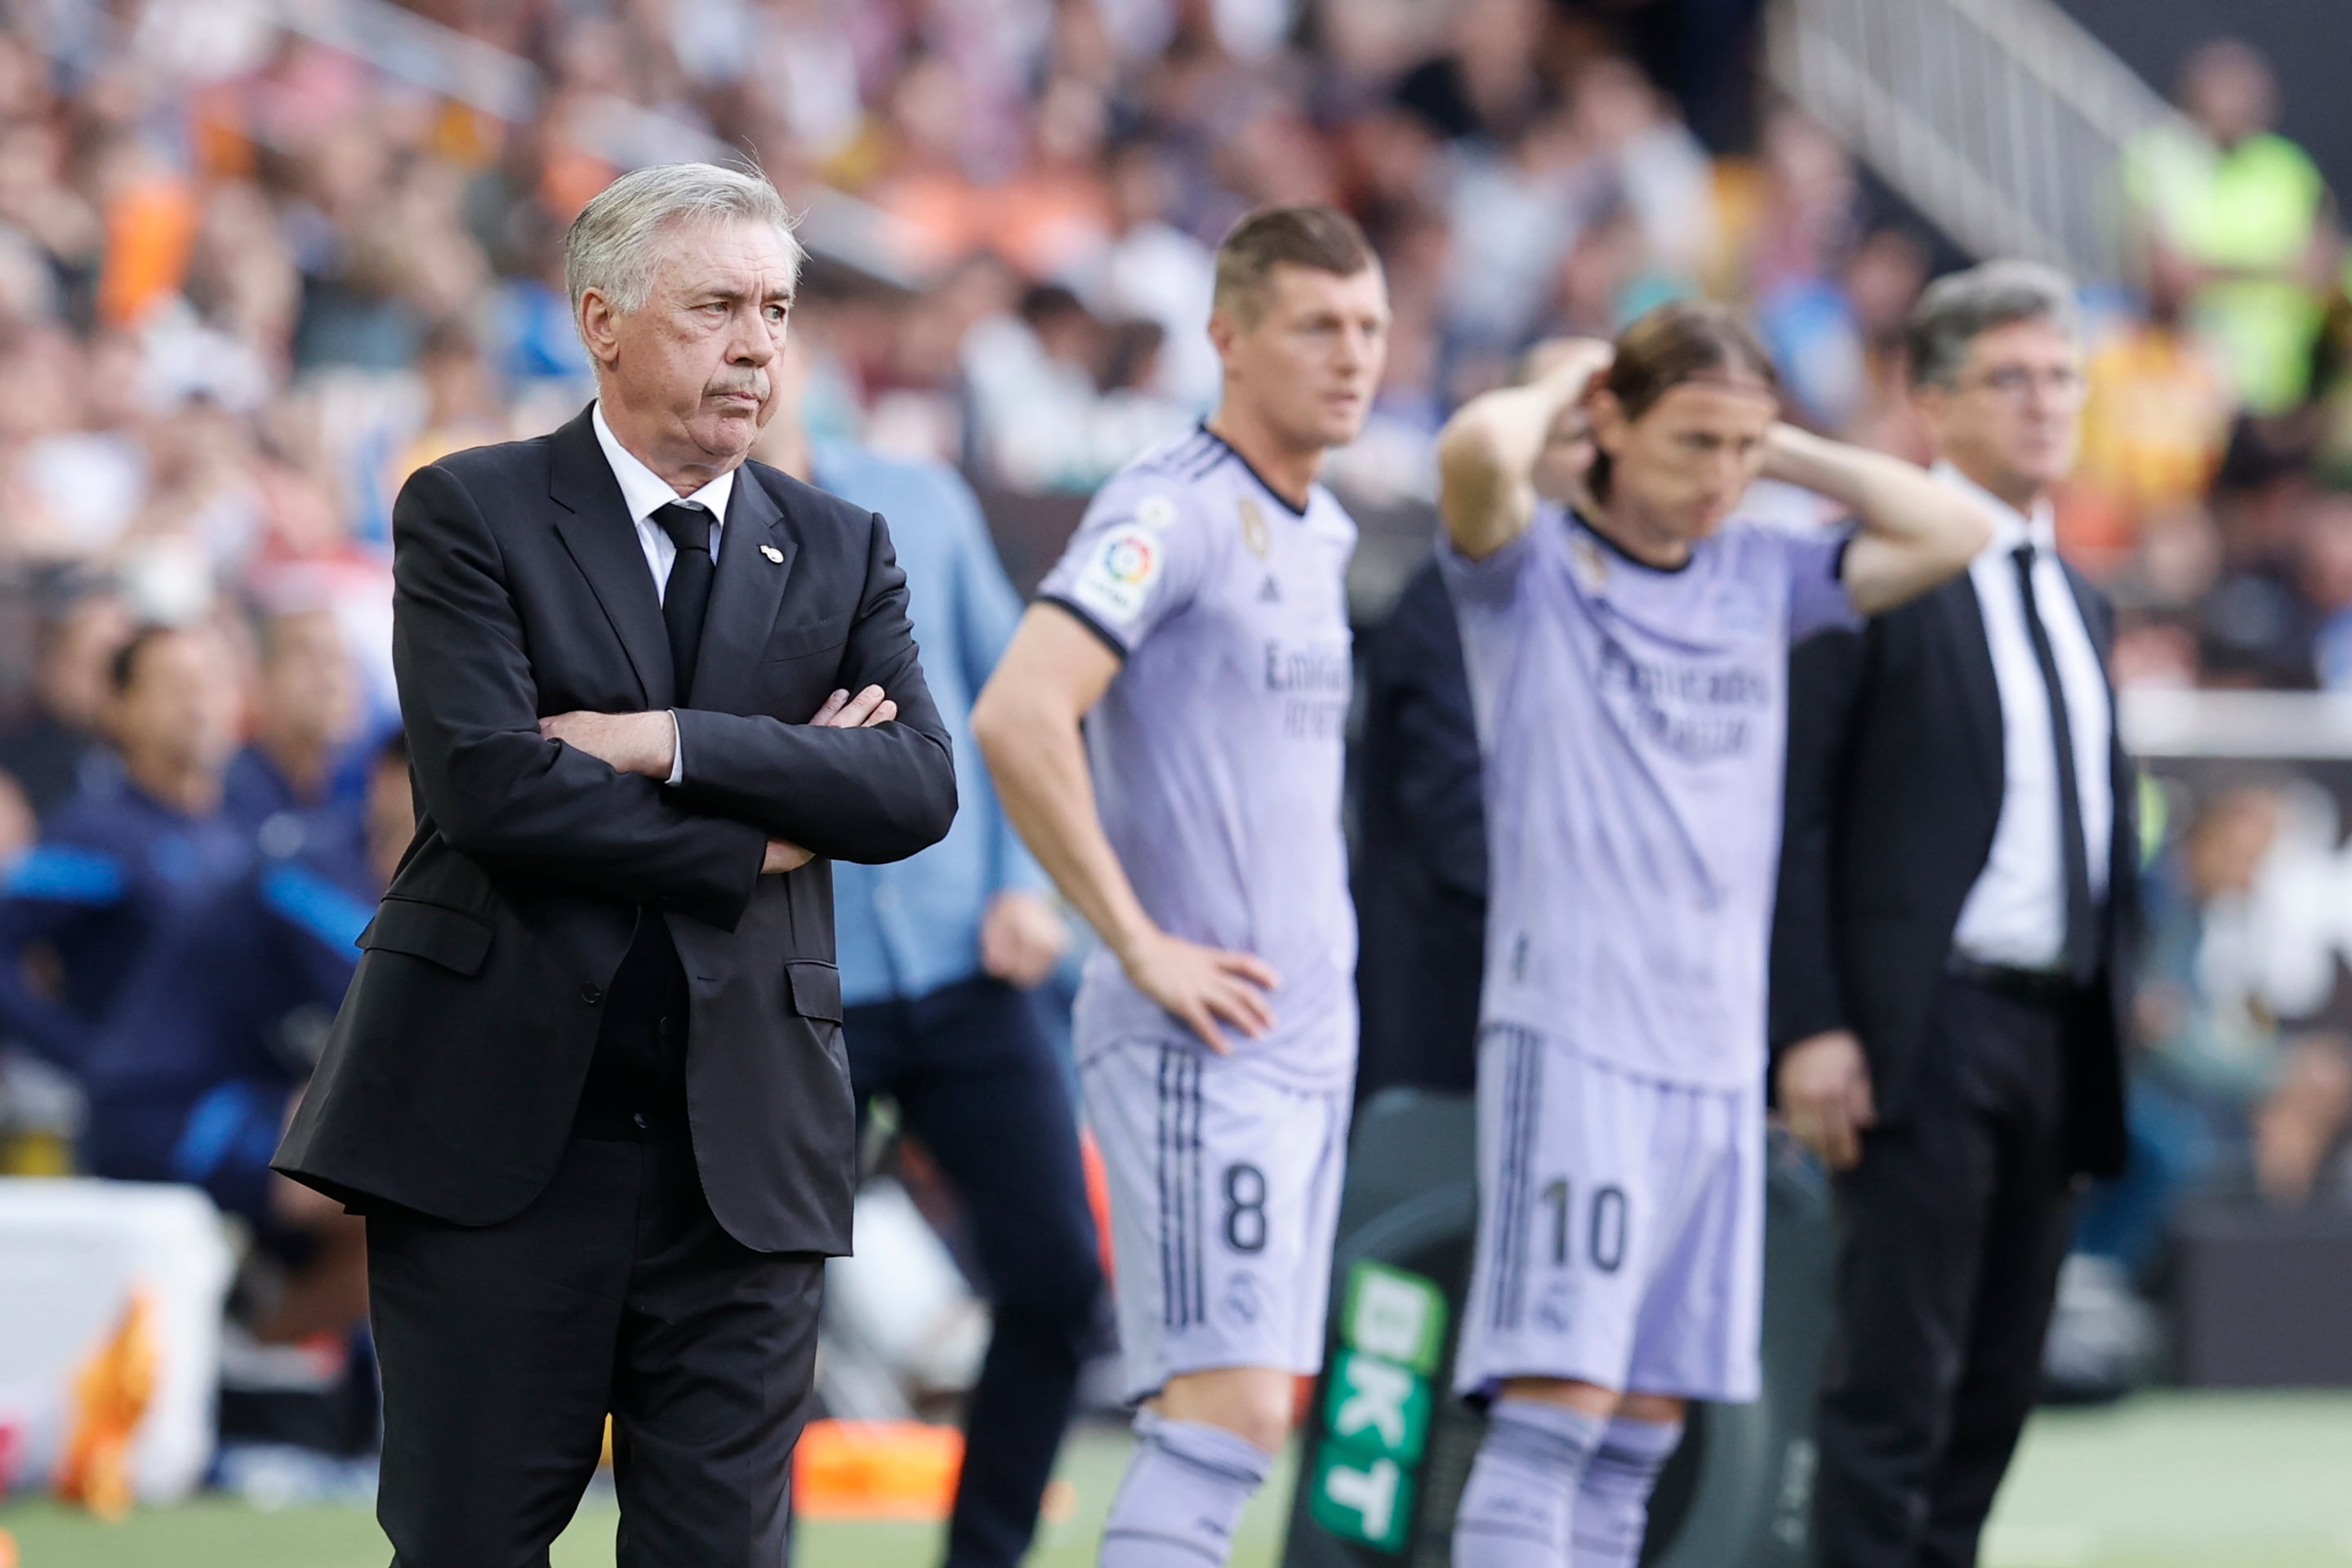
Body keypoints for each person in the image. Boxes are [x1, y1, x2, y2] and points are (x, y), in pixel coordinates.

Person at [273, 163, 957, 1567]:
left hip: (745, 1159)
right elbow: (490, 789)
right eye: (717, 307)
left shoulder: (840, 546)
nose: (759, 345)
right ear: (602, 319)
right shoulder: (470, 510)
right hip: (497, 1140)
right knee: (468, 1546)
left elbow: (912, 785)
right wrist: (768, 821)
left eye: (776, 309)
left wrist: (663, 741)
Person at [1437, 302, 1990, 1568]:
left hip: (1714, 1061)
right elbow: (1474, 453)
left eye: (1743, 450)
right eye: (1694, 445)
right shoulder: (1530, 572)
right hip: (1575, 1040)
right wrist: (1575, 386)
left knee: (1644, 1427)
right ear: (1611, 429)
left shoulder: (1763, 574)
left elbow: (1955, 528)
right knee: (1553, 1415)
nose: (1721, 480)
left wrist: (1772, 446)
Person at [973, 204, 1388, 1568]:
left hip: (1305, 1042)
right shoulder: (1173, 504)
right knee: (1223, 1416)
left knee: (1247, 1415)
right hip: (1202, 1044)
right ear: (1227, 334)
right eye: (1318, 325)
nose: (1354, 356)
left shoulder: (1318, 523)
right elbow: (1022, 713)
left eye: (1373, 327)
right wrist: (1138, 941)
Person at [1771, 262, 2137, 1568]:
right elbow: (1799, 814)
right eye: (2012, 378)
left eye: (2063, 375)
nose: (2046, 403)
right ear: (1931, 403)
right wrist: (1809, 1024)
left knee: (1995, 1380)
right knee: (1892, 1381)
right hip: (1925, 1021)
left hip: (2052, 1025)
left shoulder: (2080, 595)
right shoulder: (1876, 577)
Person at [752, 353, 1102, 1568]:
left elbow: (1017, 699)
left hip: (972, 967)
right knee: (762, 1313)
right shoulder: (675, 552)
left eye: (772, 324)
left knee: (1058, 1279)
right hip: (795, 990)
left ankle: (988, 1558)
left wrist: (1028, 885)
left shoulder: (923, 498)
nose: (752, 355)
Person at [0, 620, 249, 1073]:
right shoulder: (93, 834)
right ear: (118, 708)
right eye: (175, 685)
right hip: (134, 1122)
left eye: (213, 682)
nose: (198, 703)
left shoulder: (252, 826)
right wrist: (88, 1060)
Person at [222, 605, 364, 835]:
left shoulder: (370, 789)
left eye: (337, 659)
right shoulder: (221, 794)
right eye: (307, 657)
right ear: (260, 679)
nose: (328, 677)